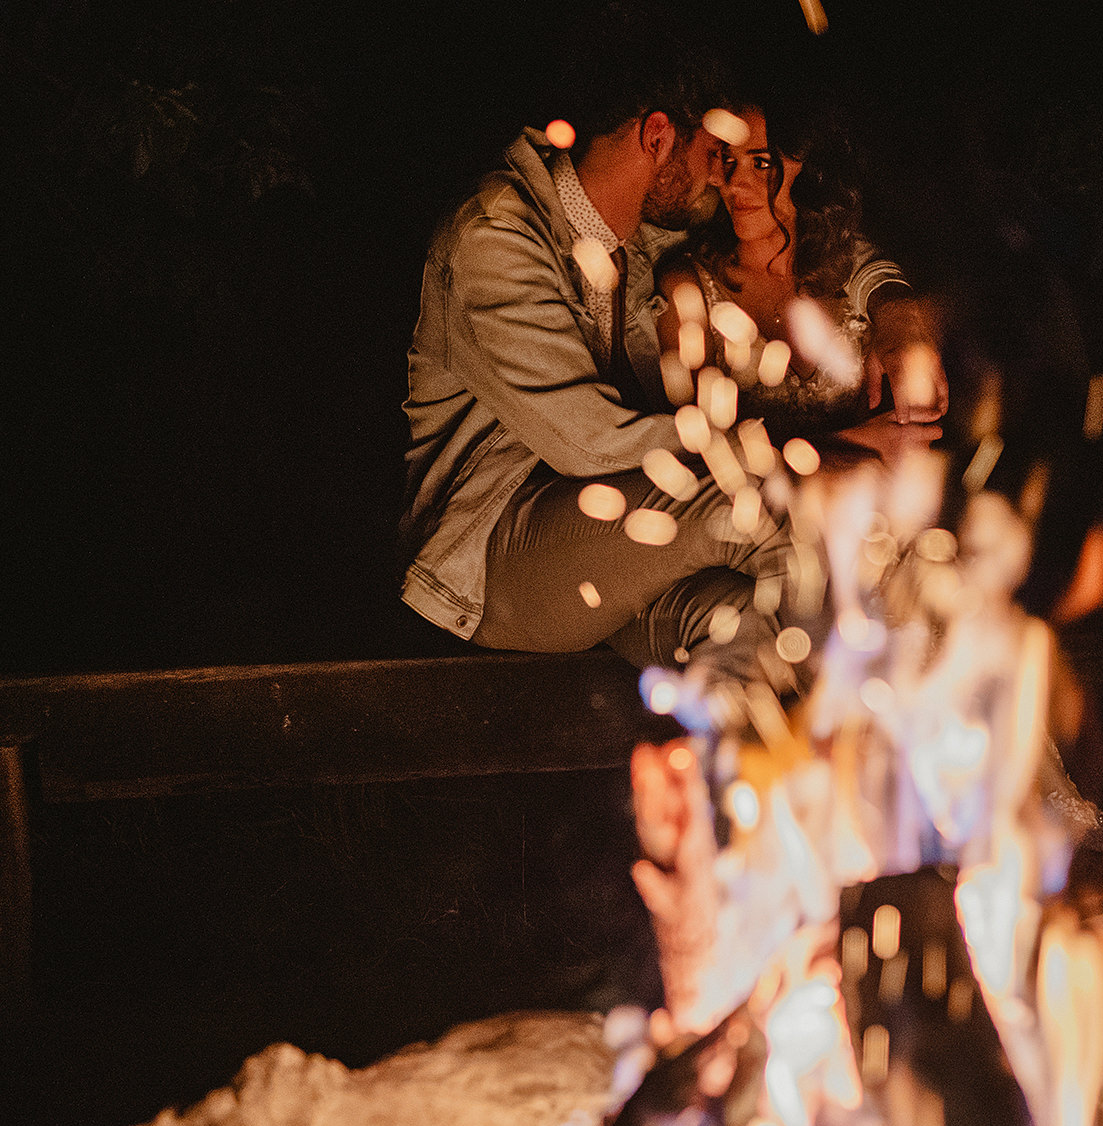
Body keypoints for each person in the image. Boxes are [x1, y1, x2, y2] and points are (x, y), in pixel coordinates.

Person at [400, 7, 946, 676]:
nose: (722, 177)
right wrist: (827, 454)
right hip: (499, 553)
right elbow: (590, 444)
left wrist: (893, 306)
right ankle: (917, 741)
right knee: (764, 504)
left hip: (627, 552)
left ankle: (961, 767)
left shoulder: (637, 230)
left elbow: (798, 228)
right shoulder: (494, 242)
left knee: (753, 627)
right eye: (713, 153)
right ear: (658, 137)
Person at [655, 98, 948, 453]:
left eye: (761, 163)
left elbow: (907, 436)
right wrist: (848, 444)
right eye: (730, 161)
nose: (735, 184)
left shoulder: (851, 276)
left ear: (810, 169)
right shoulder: (688, 290)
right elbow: (696, 453)